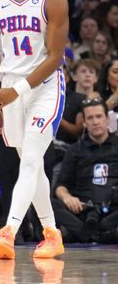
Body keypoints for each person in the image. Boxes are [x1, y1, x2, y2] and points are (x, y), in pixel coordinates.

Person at [0, 0, 68, 259]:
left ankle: (8, 231)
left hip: (44, 87)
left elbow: (56, 57)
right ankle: (52, 234)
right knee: (33, 169)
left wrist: (14, 92)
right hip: (8, 89)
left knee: (32, 159)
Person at [52, 98, 118, 243]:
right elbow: (60, 186)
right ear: (84, 123)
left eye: (99, 116)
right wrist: (67, 198)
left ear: (107, 119)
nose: (95, 122)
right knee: (48, 203)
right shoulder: (74, 150)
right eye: (90, 118)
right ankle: (97, 233)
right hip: (82, 210)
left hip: (113, 209)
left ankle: (90, 233)